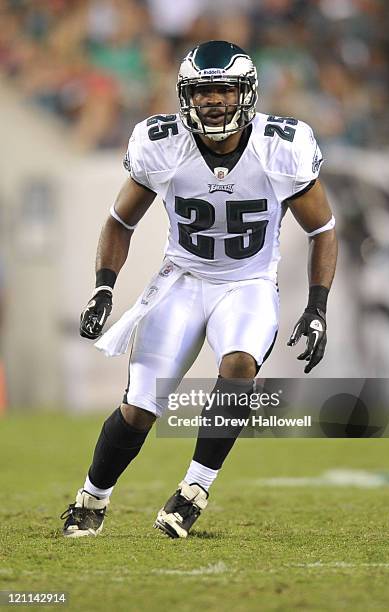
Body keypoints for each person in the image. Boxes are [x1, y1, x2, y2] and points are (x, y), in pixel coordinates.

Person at [60, 40, 337, 538]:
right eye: (203, 90)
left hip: (248, 283)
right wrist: (104, 288)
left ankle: (194, 489)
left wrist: (317, 306)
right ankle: (92, 497)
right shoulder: (161, 142)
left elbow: (323, 229)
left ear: (246, 93)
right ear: (186, 95)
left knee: (238, 365)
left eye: (224, 89)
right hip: (181, 282)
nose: (213, 100)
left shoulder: (282, 145)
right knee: (139, 409)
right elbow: (120, 221)